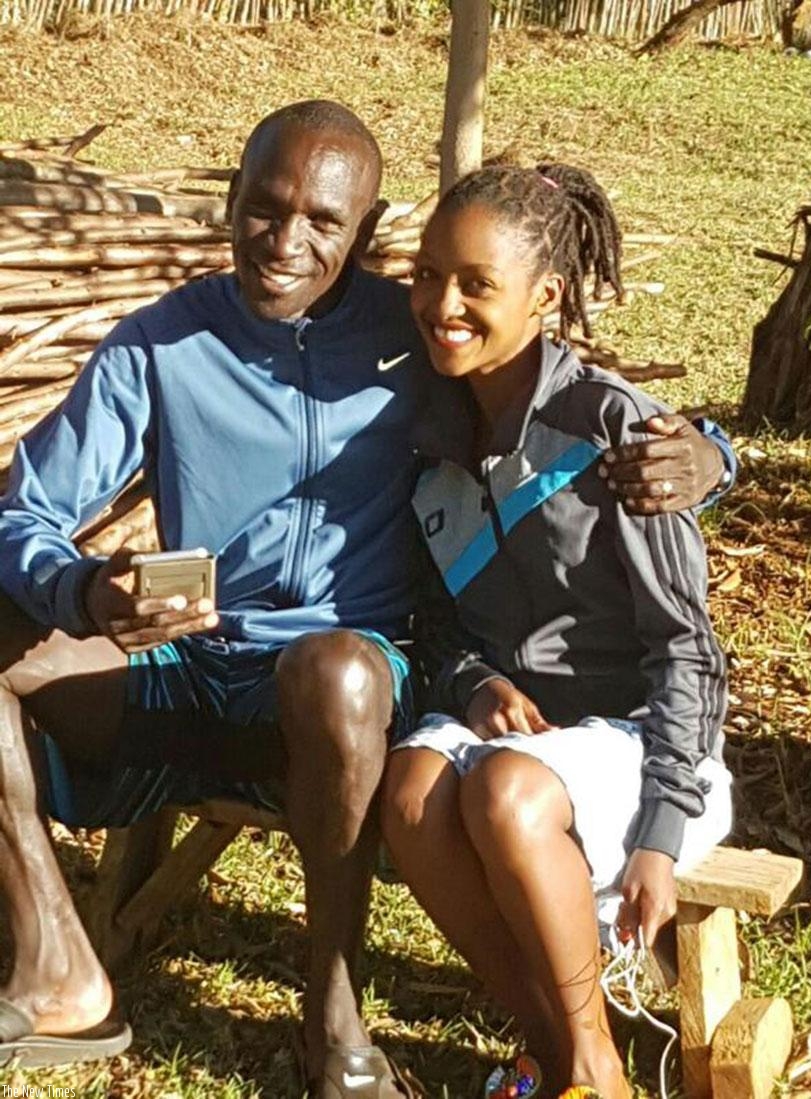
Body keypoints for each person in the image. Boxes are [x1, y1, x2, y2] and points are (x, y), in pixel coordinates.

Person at [0, 102, 729, 1096]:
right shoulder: (162, 345)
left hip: (350, 694)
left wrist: (710, 455)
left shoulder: (415, 336)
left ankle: (336, 1017)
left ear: (366, 227)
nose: (284, 243)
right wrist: (83, 588)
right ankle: (56, 958)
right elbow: (25, 513)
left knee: (336, 668)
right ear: (231, 199)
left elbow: (562, 406)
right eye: (264, 209)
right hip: (193, 665)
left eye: (322, 222)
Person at [381, 165, 733, 1099]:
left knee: (505, 789)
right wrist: (472, 683)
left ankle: (593, 1072)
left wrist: (662, 833)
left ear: (545, 297)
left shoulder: (616, 433)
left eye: (476, 285)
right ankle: (560, 1045)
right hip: (525, 740)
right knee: (410, 792)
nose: (442, 306)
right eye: (427, 275)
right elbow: (432, 623)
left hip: (650, 750)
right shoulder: (426, 439)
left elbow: (688, 647)